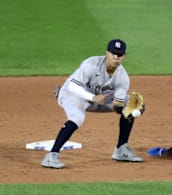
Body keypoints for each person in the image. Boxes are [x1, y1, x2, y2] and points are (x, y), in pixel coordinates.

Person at [42, 39, 145, 169]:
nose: (116, 57)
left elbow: (116, 105)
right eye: (113, 53)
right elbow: (73, 86)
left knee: (129, 103)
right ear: (106, 53)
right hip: (73, 94)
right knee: (77, 118)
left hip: (98, 99)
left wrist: (127, 111)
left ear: (124, 56)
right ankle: (52, 156)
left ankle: (121, 150)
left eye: (120, 54)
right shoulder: (91, 64)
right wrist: (92, 97)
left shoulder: (122, 77)